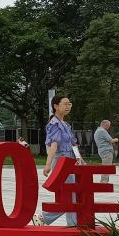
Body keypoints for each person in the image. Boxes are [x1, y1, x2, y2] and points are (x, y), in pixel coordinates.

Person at [41, 95, 83, 226]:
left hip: (70, 160)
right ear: (56, 106)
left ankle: (72, 223)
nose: (68, 106)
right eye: (65, 103)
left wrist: (79, 159)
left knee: (72, 193)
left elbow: (73, 144)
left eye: (69, 104)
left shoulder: (65, 124)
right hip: (61, 161)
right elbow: (53, 145)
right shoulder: (54, 124)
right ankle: (45, 218)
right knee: (70, 193)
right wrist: (48, 165)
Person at [93, 119, 118, 184]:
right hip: (106, 151)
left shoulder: (97, 131)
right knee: (106, 166)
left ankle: (105, 180)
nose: (108, 127)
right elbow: (111, 140)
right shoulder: (102, 131)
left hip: (102, 150)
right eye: (108, 125)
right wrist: (116, 139)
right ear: (104, 124)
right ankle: (104, 181)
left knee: (106, 165)